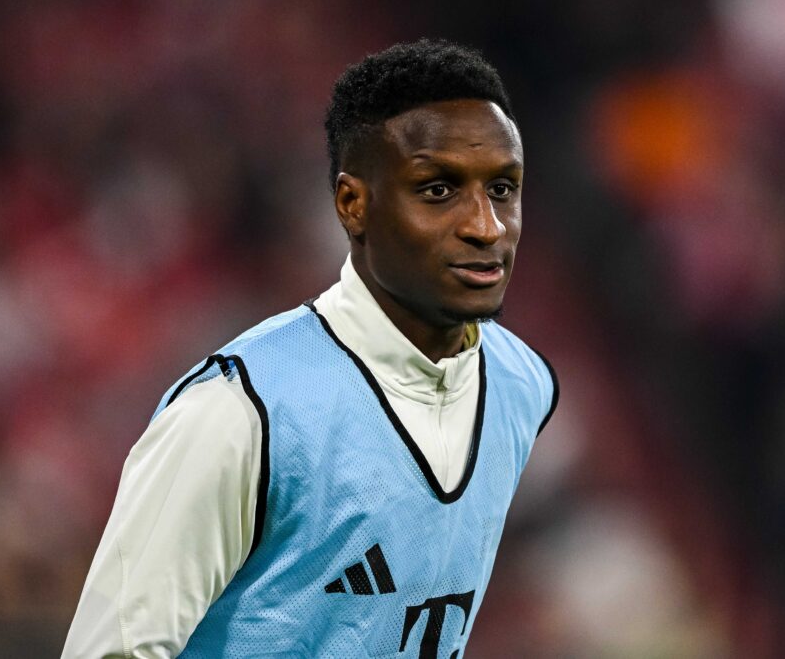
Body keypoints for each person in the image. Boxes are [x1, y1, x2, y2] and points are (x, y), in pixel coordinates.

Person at [63, 39, 558, 658]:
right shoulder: (240, 413)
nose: (486, 226)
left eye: (503, 189)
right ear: (353, 204)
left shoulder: (523, 385)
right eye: (437, 190)